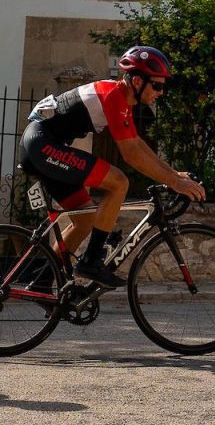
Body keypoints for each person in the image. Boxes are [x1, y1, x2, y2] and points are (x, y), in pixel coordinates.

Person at [20, 45, 205, 287]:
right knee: (119, 182)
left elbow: (137, 144)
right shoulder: (113, 95)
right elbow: (131, 155)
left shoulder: (122, 100)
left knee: (85, 218)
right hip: (42, 144)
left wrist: (172, 174)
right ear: (137, 81)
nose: (161, 92)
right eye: (157, 85)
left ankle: (43, 281)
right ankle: (91, 261)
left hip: (44, 144)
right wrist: (175, 183)